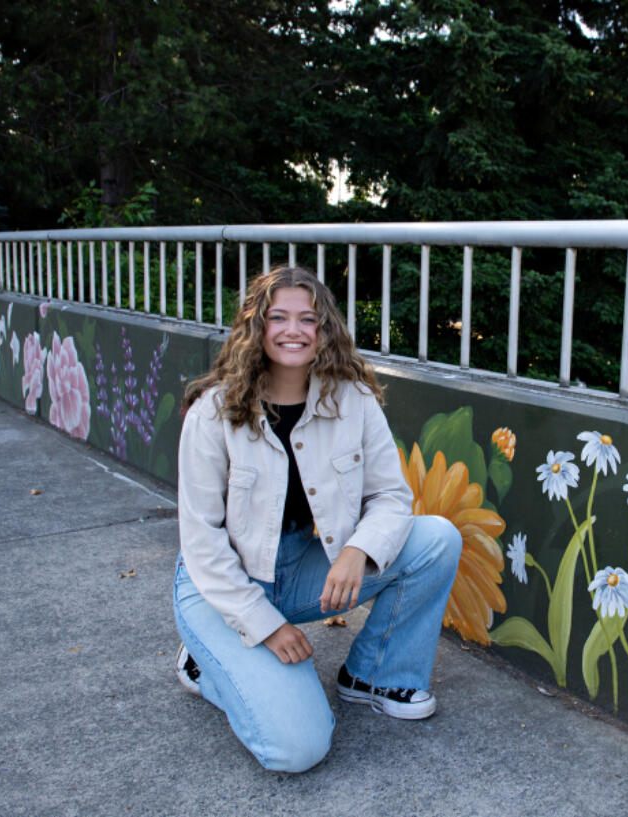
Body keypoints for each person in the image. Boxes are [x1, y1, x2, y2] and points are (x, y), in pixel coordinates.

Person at [171, 265, 462, 773]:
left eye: (308, 319)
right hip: (222, 588)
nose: (293, 331)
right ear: (255, 327)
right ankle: (209, 661)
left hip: (306, 567)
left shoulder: (354, 399)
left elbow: (392, 497)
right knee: (297, 749)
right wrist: (265, 626)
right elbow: (201, 542)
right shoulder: (213, 412)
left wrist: (358, 551)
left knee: (436, 539)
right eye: (278, 317)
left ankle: (373, 676)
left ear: (325, 330)